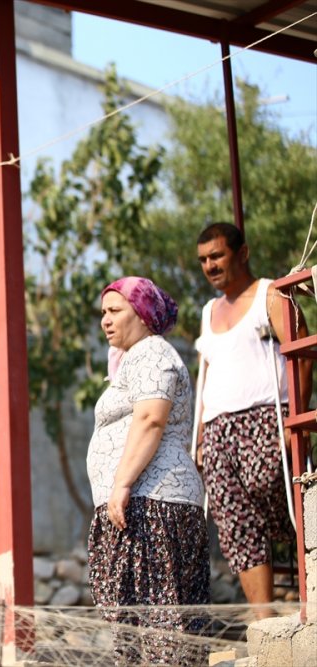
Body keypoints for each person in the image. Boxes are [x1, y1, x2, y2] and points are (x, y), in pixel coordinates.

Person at [86, 276, 209, 665]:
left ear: (141, 313)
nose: (105, 321)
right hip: (137, 504)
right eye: (103, 313)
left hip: (152, 503)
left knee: (160, 628)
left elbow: (151, 419)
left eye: (115, 311)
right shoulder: (133, 359)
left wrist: (121, 484)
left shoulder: (153, 353)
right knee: (138, 627)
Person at [195, 222, 312, 609]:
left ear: (241, 253)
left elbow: (302, 353)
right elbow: (206, 372)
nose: (210, 265)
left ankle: (305, 590)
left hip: (266, 419)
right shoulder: (209, 310)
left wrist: (296, 415)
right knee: (235, 525)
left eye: (217, 256)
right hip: (217, 429)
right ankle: (262, 622)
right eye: (203, 260)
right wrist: (199, 437)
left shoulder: (270, 294)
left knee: (274, 496)